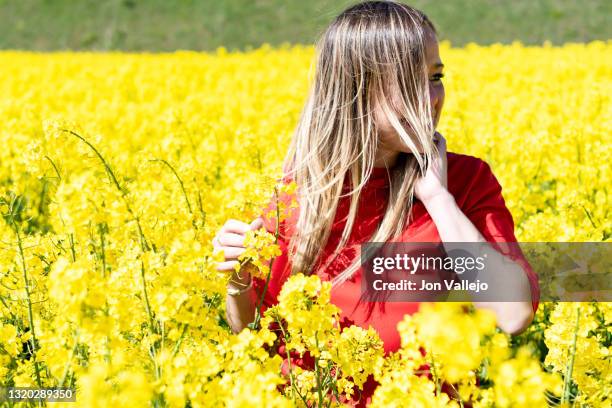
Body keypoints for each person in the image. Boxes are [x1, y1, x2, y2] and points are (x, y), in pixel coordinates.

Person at [215, 0, 539, 404]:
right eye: (408, 82)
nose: (431, 98)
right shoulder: (291, 195)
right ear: (356, 89)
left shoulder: (466, 183)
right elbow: (250, 330)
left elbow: (513, 314)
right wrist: (237, 281)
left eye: (436, 77)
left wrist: (438, 197)